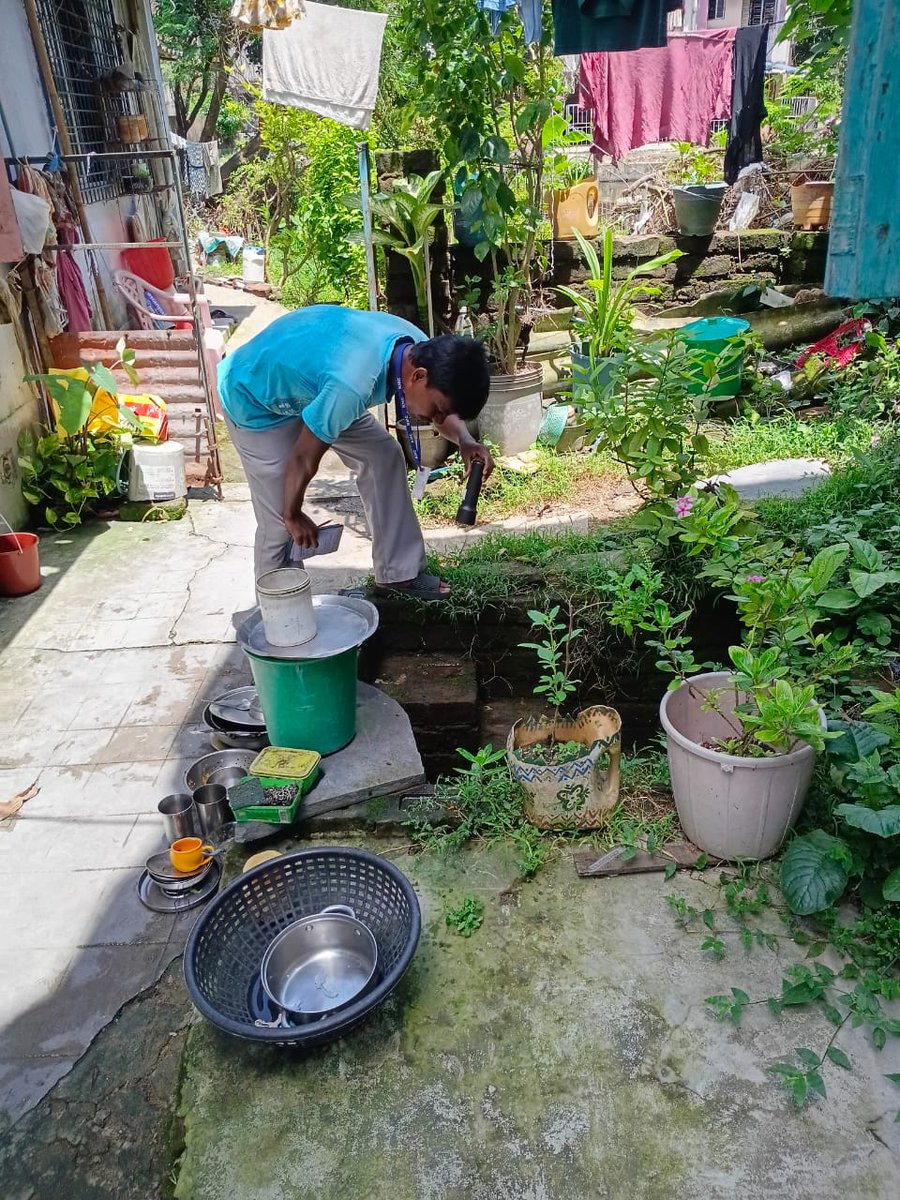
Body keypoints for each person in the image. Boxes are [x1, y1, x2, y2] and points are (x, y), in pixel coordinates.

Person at [218, 304, 493, 598]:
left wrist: (464, 440)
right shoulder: (352, 383)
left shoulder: (417, 347)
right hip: (254, 397)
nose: (438, 420)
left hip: (314, 388)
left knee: (383, 456)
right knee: (279, 526)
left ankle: (397, 576)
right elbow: (303, 457)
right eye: (437, 410)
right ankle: (282, 622)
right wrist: (293, 512)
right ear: (418, 377)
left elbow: (444, 410)